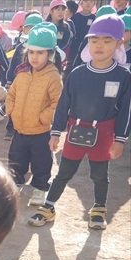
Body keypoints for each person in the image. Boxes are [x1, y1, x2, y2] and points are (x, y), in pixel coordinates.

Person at [29, 14, 130, 230]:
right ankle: (48, 206)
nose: (99, 45)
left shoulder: (123, 76)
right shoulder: (77, 73)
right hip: (76, 130)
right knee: (64, 172)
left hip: (104, 133)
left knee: (100, 175)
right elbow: (63, 105)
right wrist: (56, 132)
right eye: (94, 40)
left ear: (119, 43)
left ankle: (99, 209)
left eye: (107, 40)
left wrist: (120, 139)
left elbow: (125, 111)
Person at [5, 25, 63, 207]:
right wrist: (11, 111)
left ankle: (40, 188)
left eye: (40, 53)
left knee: (41, 162)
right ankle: (15, 183)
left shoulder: (53, 76)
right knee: (16, 159)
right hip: (19, 129)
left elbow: (57, 102)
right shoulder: (22, 73)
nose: (34, 57)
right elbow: (11, 94)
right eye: (31, 52)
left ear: (50, 54)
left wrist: (43, 118)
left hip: (40, 132)